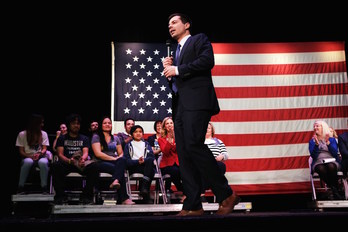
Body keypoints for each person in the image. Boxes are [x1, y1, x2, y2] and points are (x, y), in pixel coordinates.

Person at [162, 13, 239, 216]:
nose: (170, 26)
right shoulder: (175, 52)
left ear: (186, 25)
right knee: (185, 153)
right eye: (168, 24)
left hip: (198, 102)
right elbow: (177, 84)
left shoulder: (199, 39)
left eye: (174, 22)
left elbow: (207, 61)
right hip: (180, 106)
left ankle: (226, 194)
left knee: (195, 144)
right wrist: (169, 72)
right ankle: (194, 204)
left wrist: (177, 69)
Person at [51, 113, 99, 204]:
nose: (76, 125)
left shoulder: (84, 138)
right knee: (55, 166)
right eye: (73, 123)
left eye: (78, 123)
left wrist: (83, 159)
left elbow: (85, 152)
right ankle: (60, 196)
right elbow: (60, 154)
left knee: (94, 167)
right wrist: (69, 161)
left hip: (80, 163)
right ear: (69, 125)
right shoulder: (62, 138)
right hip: (67, 162)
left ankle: (86, 196)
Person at [91, 116, 134, 205]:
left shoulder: (115, 138)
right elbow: (98, 154)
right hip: (100, 162)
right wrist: (114, 159)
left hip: (114, 162)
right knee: (119, 168)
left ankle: (115, 181)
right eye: (105, 123)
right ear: (101, 125)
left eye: (109, 123)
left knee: (122, 160)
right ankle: (124, 198)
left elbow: (120, 153)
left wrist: (119, 158)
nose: (107, 125)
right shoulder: (96, 137)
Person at [15, 114, 51, 194]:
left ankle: (44, 187)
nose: (42, 125)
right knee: (28, 161)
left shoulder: (44, 134)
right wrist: (30, 156)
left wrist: (39, 154)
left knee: (43, 162)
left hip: (40, 156)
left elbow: (45, 148)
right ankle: (20, 187)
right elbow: (21, 151)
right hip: (27, 156)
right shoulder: (22, 134)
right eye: (41, 123)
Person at [309, 120, 343, 200]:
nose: (315, 127)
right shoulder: (312, 141)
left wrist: (328, 143)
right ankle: (335, 190)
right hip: (318, 161)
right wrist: (316, 145)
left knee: (331, 166)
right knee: (321, 168)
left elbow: (335, 153)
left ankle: (332, 190)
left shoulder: (331, 140)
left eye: (317, 126)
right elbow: (313, 155)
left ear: (323, 127)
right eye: (314, 126)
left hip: (331, 160)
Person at [123, 125, 155, 203]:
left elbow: (151, 157)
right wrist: (137, 161)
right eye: (135, 132)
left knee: (150, 161)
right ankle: (145, 192)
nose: (138, 133)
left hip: (145, 165)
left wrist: (143, 160)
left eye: (140, 132)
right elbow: (126, 161)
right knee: (151, 171)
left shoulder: (146, 144)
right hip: (134, 166)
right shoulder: (128, 145)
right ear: (132, 134)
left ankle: (144, 188)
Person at [201, 122, 229, 201]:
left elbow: (226, 154)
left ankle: (219, 192)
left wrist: (222, 156)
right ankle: (202, 195)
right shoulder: (199, 142)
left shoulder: (218, 142)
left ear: (212, 130)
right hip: (203, 164)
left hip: (215, 164)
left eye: (209, 128)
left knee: (221, 166)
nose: (207, 130)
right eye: (205, 128)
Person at [157, 117, 184, 197]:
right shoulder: (161, 139)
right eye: (167, 123)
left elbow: (180, 150)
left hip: (178, 163)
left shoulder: (180, 137)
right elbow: (165, 151)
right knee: (175, 171)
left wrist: (174, 140)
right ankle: (183, 190)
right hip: (166, 165)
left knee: (186, 171)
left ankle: (186, 192)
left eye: (171, 123)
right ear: (164, 126)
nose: (169, 125)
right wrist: (169, 140)